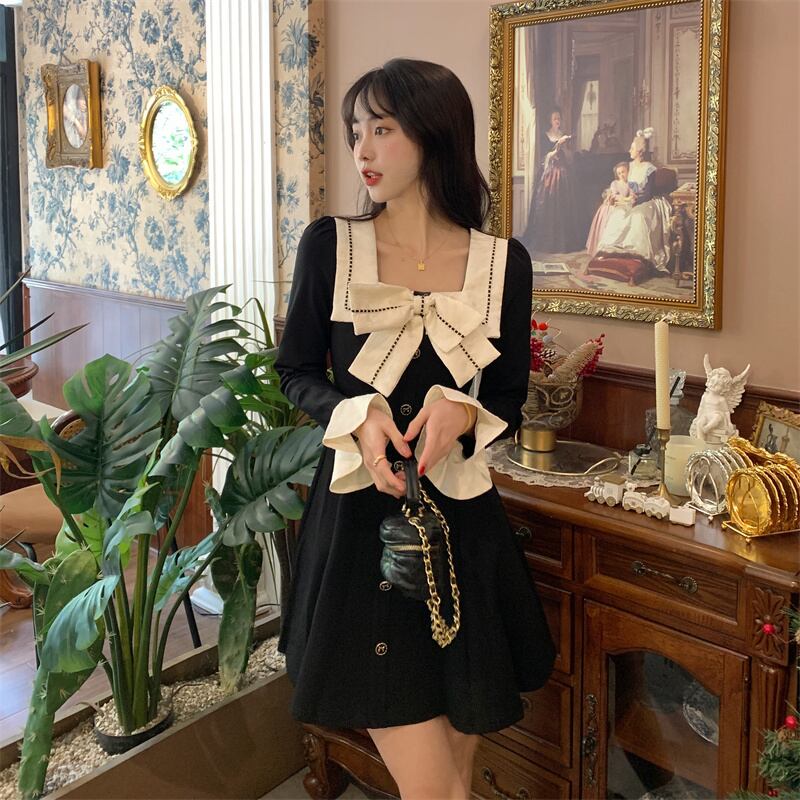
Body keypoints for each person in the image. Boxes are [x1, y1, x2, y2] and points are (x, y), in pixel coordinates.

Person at [274, 58, 556, 799]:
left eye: (382, 130)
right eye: (355, 132)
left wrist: (463, 413)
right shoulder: (330, 246)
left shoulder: (504, 264)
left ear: (433, 133)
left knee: (455, 770)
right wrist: (359, 414)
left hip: (461, 526)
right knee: (439, 790)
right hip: (359, 530)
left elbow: (508, 396)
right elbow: (295, 370)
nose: (361, 150)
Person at [594, 131, 672, 271]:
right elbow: (623, 184)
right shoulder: (630, 166)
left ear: (639, 151)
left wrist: (634, 201)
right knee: (618, 214)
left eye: (632, 148)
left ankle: (638, 256)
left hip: (646, 201)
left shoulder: (649, 168)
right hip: (631, 199)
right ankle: (613, 252)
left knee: (638, 217)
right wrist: (619, 197)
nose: (629, 150)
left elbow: (648, 194)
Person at [521, 108, 581, 254]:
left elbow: (569, 156)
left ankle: (565, 241)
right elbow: (546, 157)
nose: (557, 121)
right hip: (550, 173)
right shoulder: (545, 136)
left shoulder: (563, 135)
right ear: (550, 121)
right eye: (555, 118)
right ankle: (547, 241)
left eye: (559, 118)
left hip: (564, 173)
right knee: (548, 204)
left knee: (565, 203)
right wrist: (558, 146)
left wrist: (565, 146)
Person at [585, 161, 633, 256]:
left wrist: (628, 199)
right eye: (619, 173)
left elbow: (632, 195)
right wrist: (623, 198)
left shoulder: (630, 184)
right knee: (608, 222)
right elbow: (615, 196)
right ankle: (603, 249)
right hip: (612, 205)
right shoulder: (615, 183)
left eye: (623, 172)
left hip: (623, 205)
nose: (621, 175)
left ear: (628, 172)